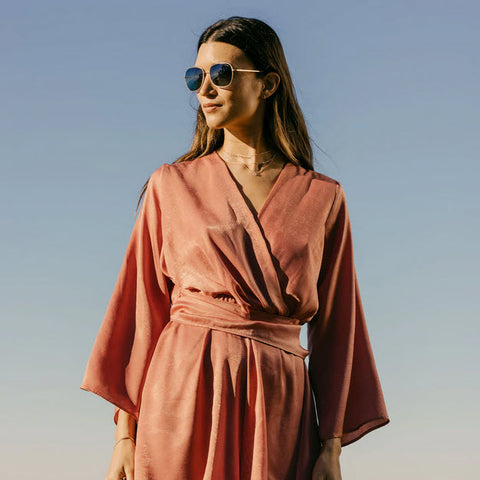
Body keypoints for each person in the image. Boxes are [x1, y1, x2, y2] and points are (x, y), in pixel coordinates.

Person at [80, 16, 390, 480]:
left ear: (268, 84)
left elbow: (338, 327)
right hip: (182, 392)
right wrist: (125, 435)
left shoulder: (322, 196)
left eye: (220, 75)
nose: (204, 89)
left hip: (279, 401)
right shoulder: (171, 185)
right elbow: (142, 309)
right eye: (195, 77)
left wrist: (331, 449)